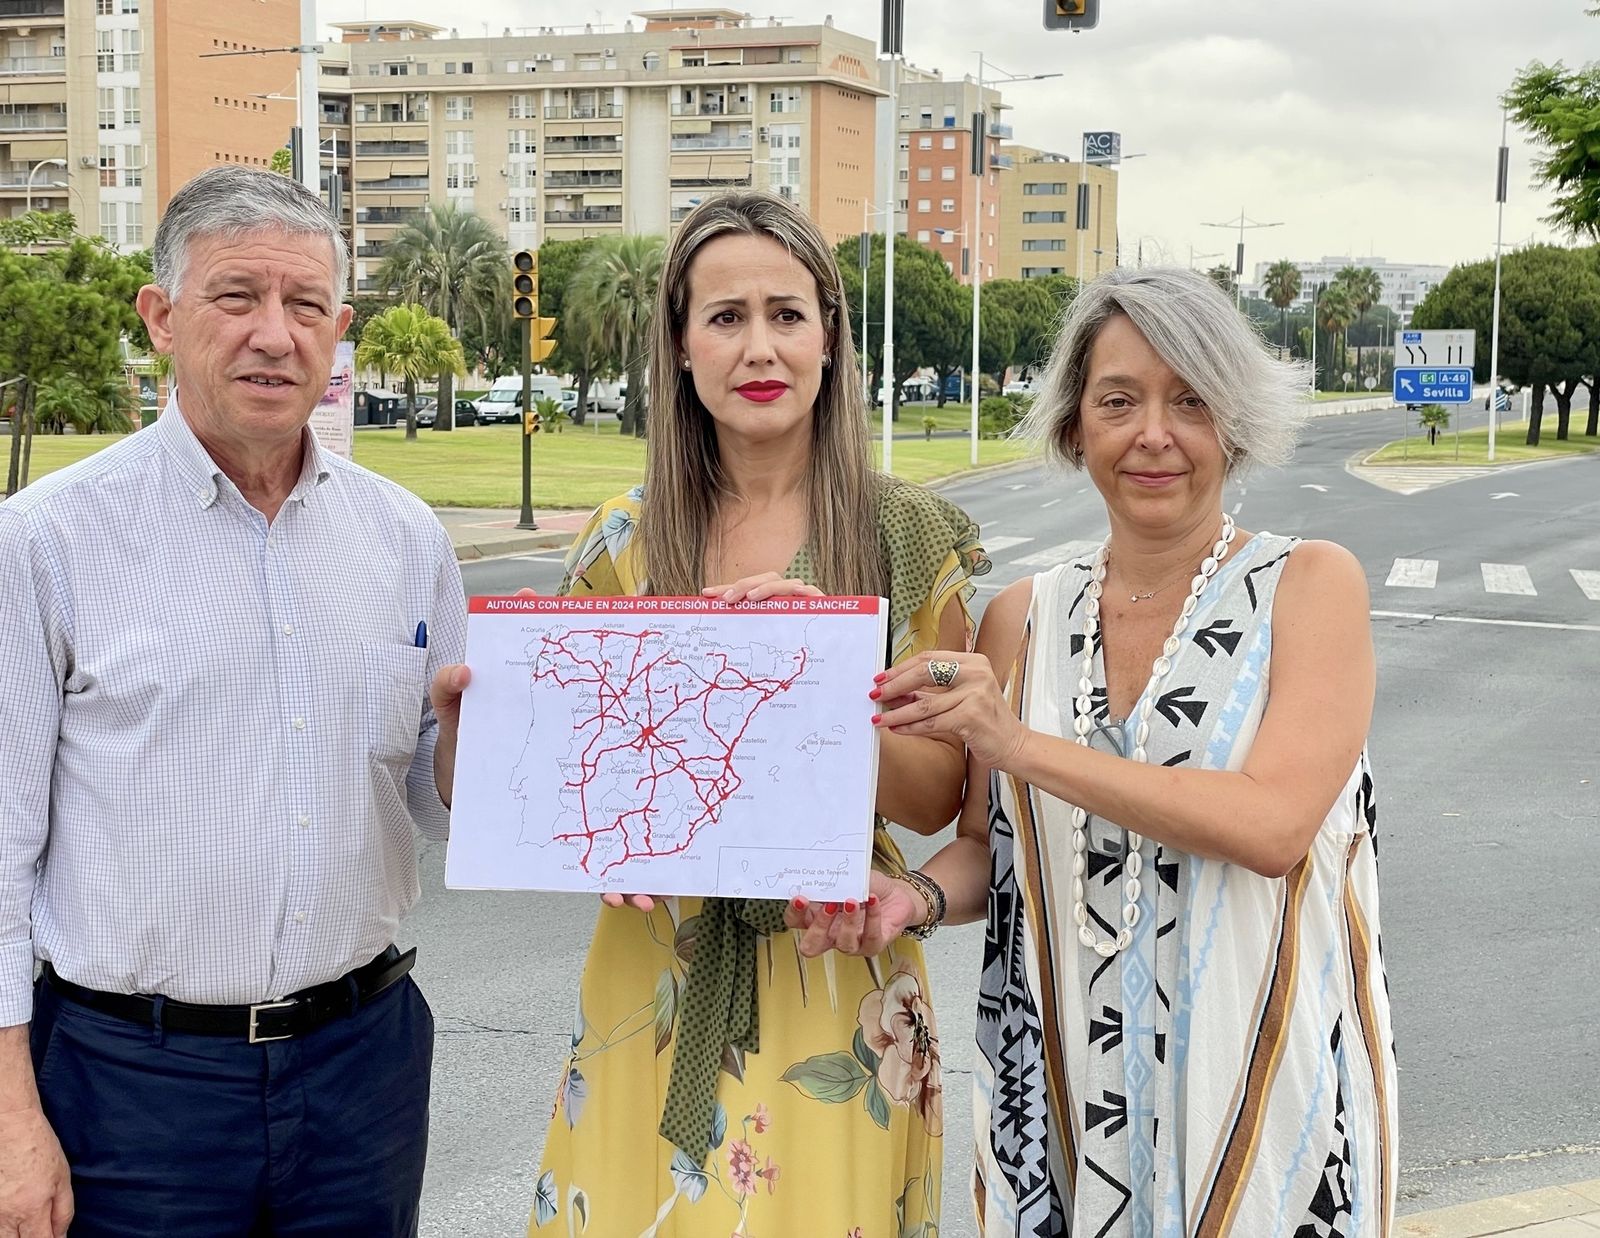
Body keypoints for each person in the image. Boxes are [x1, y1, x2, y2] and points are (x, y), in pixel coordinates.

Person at [843, 266, 1398, 1235]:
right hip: (1058, 1083)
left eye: (1190, 400)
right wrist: (916, 897)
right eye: (1117, 400)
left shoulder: (1309, 584)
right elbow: (988, 843)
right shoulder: (1020, 616)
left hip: (1260, 1081)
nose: (1154, 433)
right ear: (1072, 427)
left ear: (1233, 422)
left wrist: (1016, 742)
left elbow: (1270, 825)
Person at [0, 164, 466, 1237]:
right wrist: (13, 1115)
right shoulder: (47, 542)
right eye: (237, 296)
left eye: (306, 305)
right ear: (160, 318)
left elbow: (439, 802)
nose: (275, 333)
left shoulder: (404, 542)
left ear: (339, 329)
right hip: (132, 1085)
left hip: (364, 1065)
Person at [510, 191, 988, 1235]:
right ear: (680, 346)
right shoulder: (619, 541)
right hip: (654, 976)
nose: (758, 345)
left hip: (837, 970)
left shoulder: (904, 533)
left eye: (787, 313)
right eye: (725, 317)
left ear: (829, 336)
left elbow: (937, 797)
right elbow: (574, 787)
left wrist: (825, 682)